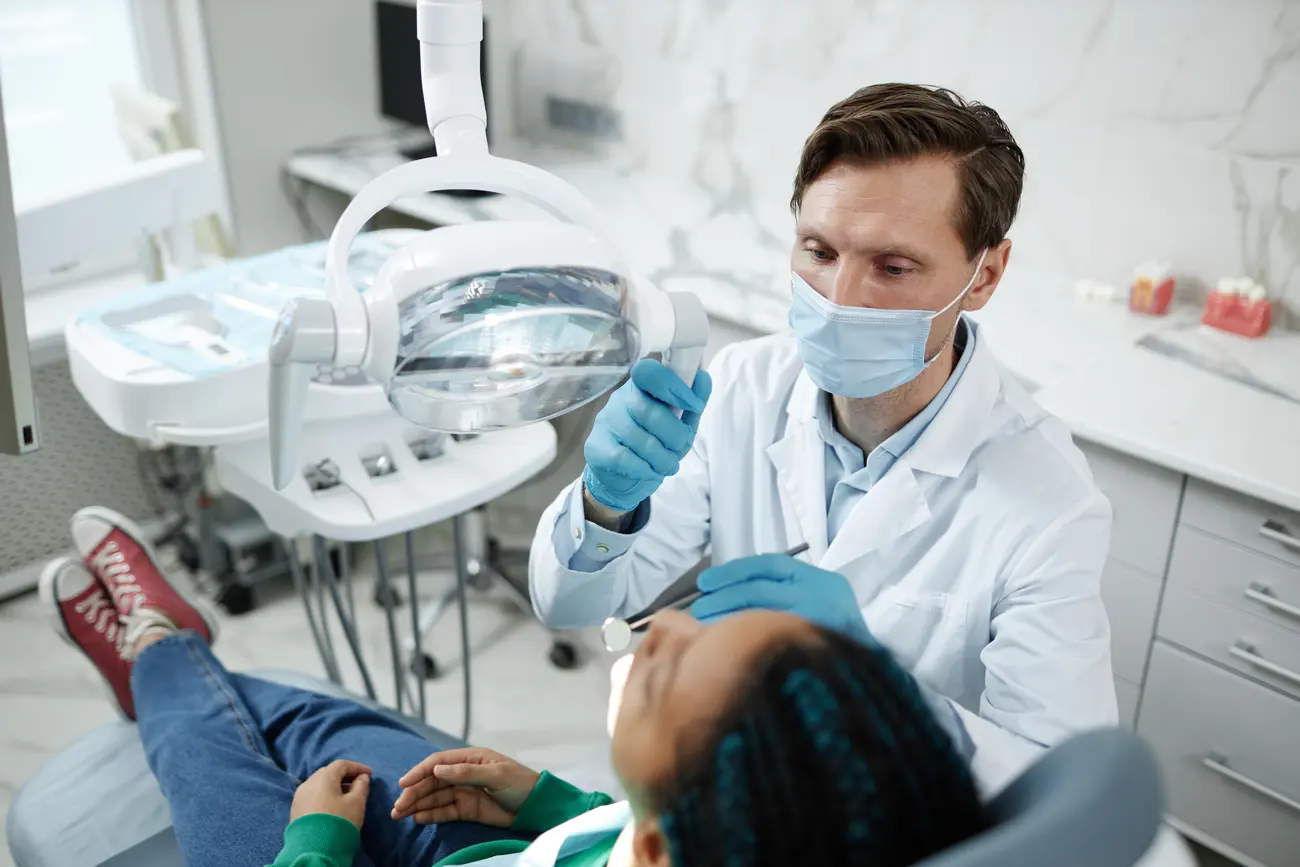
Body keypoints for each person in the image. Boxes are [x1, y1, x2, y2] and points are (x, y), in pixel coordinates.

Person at [529, 83, 1117, 751]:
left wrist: (873, 683)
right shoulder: (743, 388)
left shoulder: (1051, 504)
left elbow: (1055, 780)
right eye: (820, 251)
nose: (841, 299)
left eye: (893, 267)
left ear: (983, 276)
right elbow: (569, 604)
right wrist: (606, 502)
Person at [43, 506, 984, 867]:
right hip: (485, 851)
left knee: (212, 765)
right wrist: (544, 801)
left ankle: (159, 646)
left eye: (670, 669)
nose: (673, 626)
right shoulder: (741, 837)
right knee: (315, 726)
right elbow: (616, 835)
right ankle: (165, 656)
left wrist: (319, 843)